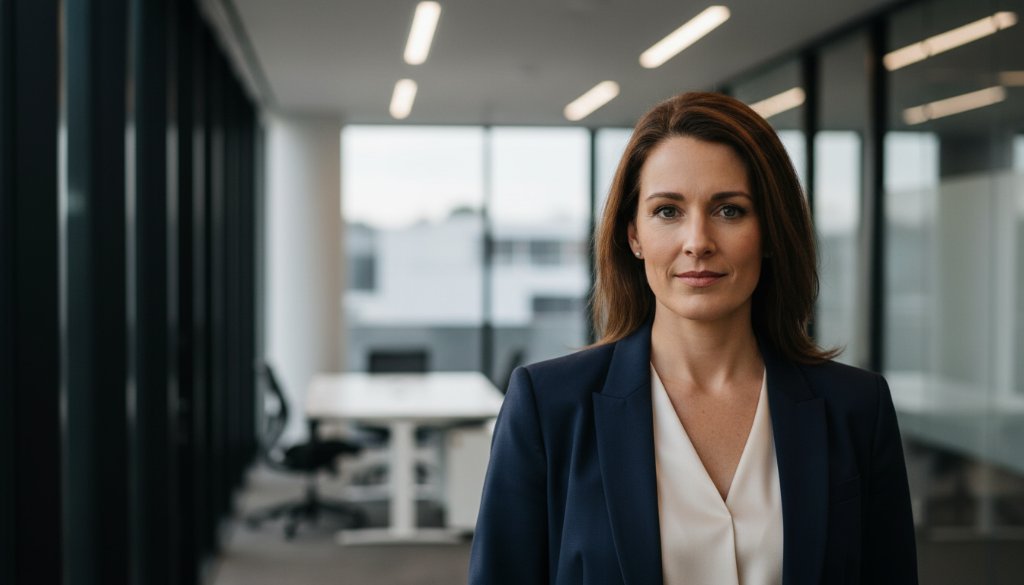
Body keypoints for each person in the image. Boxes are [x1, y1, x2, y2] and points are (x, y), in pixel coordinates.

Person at [468, 92, 918, 585]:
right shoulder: (548, 406)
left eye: (729, 210)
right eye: (667, 211)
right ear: (633, 235)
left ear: (770, 232)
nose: (698, 241)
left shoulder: (856, 407)